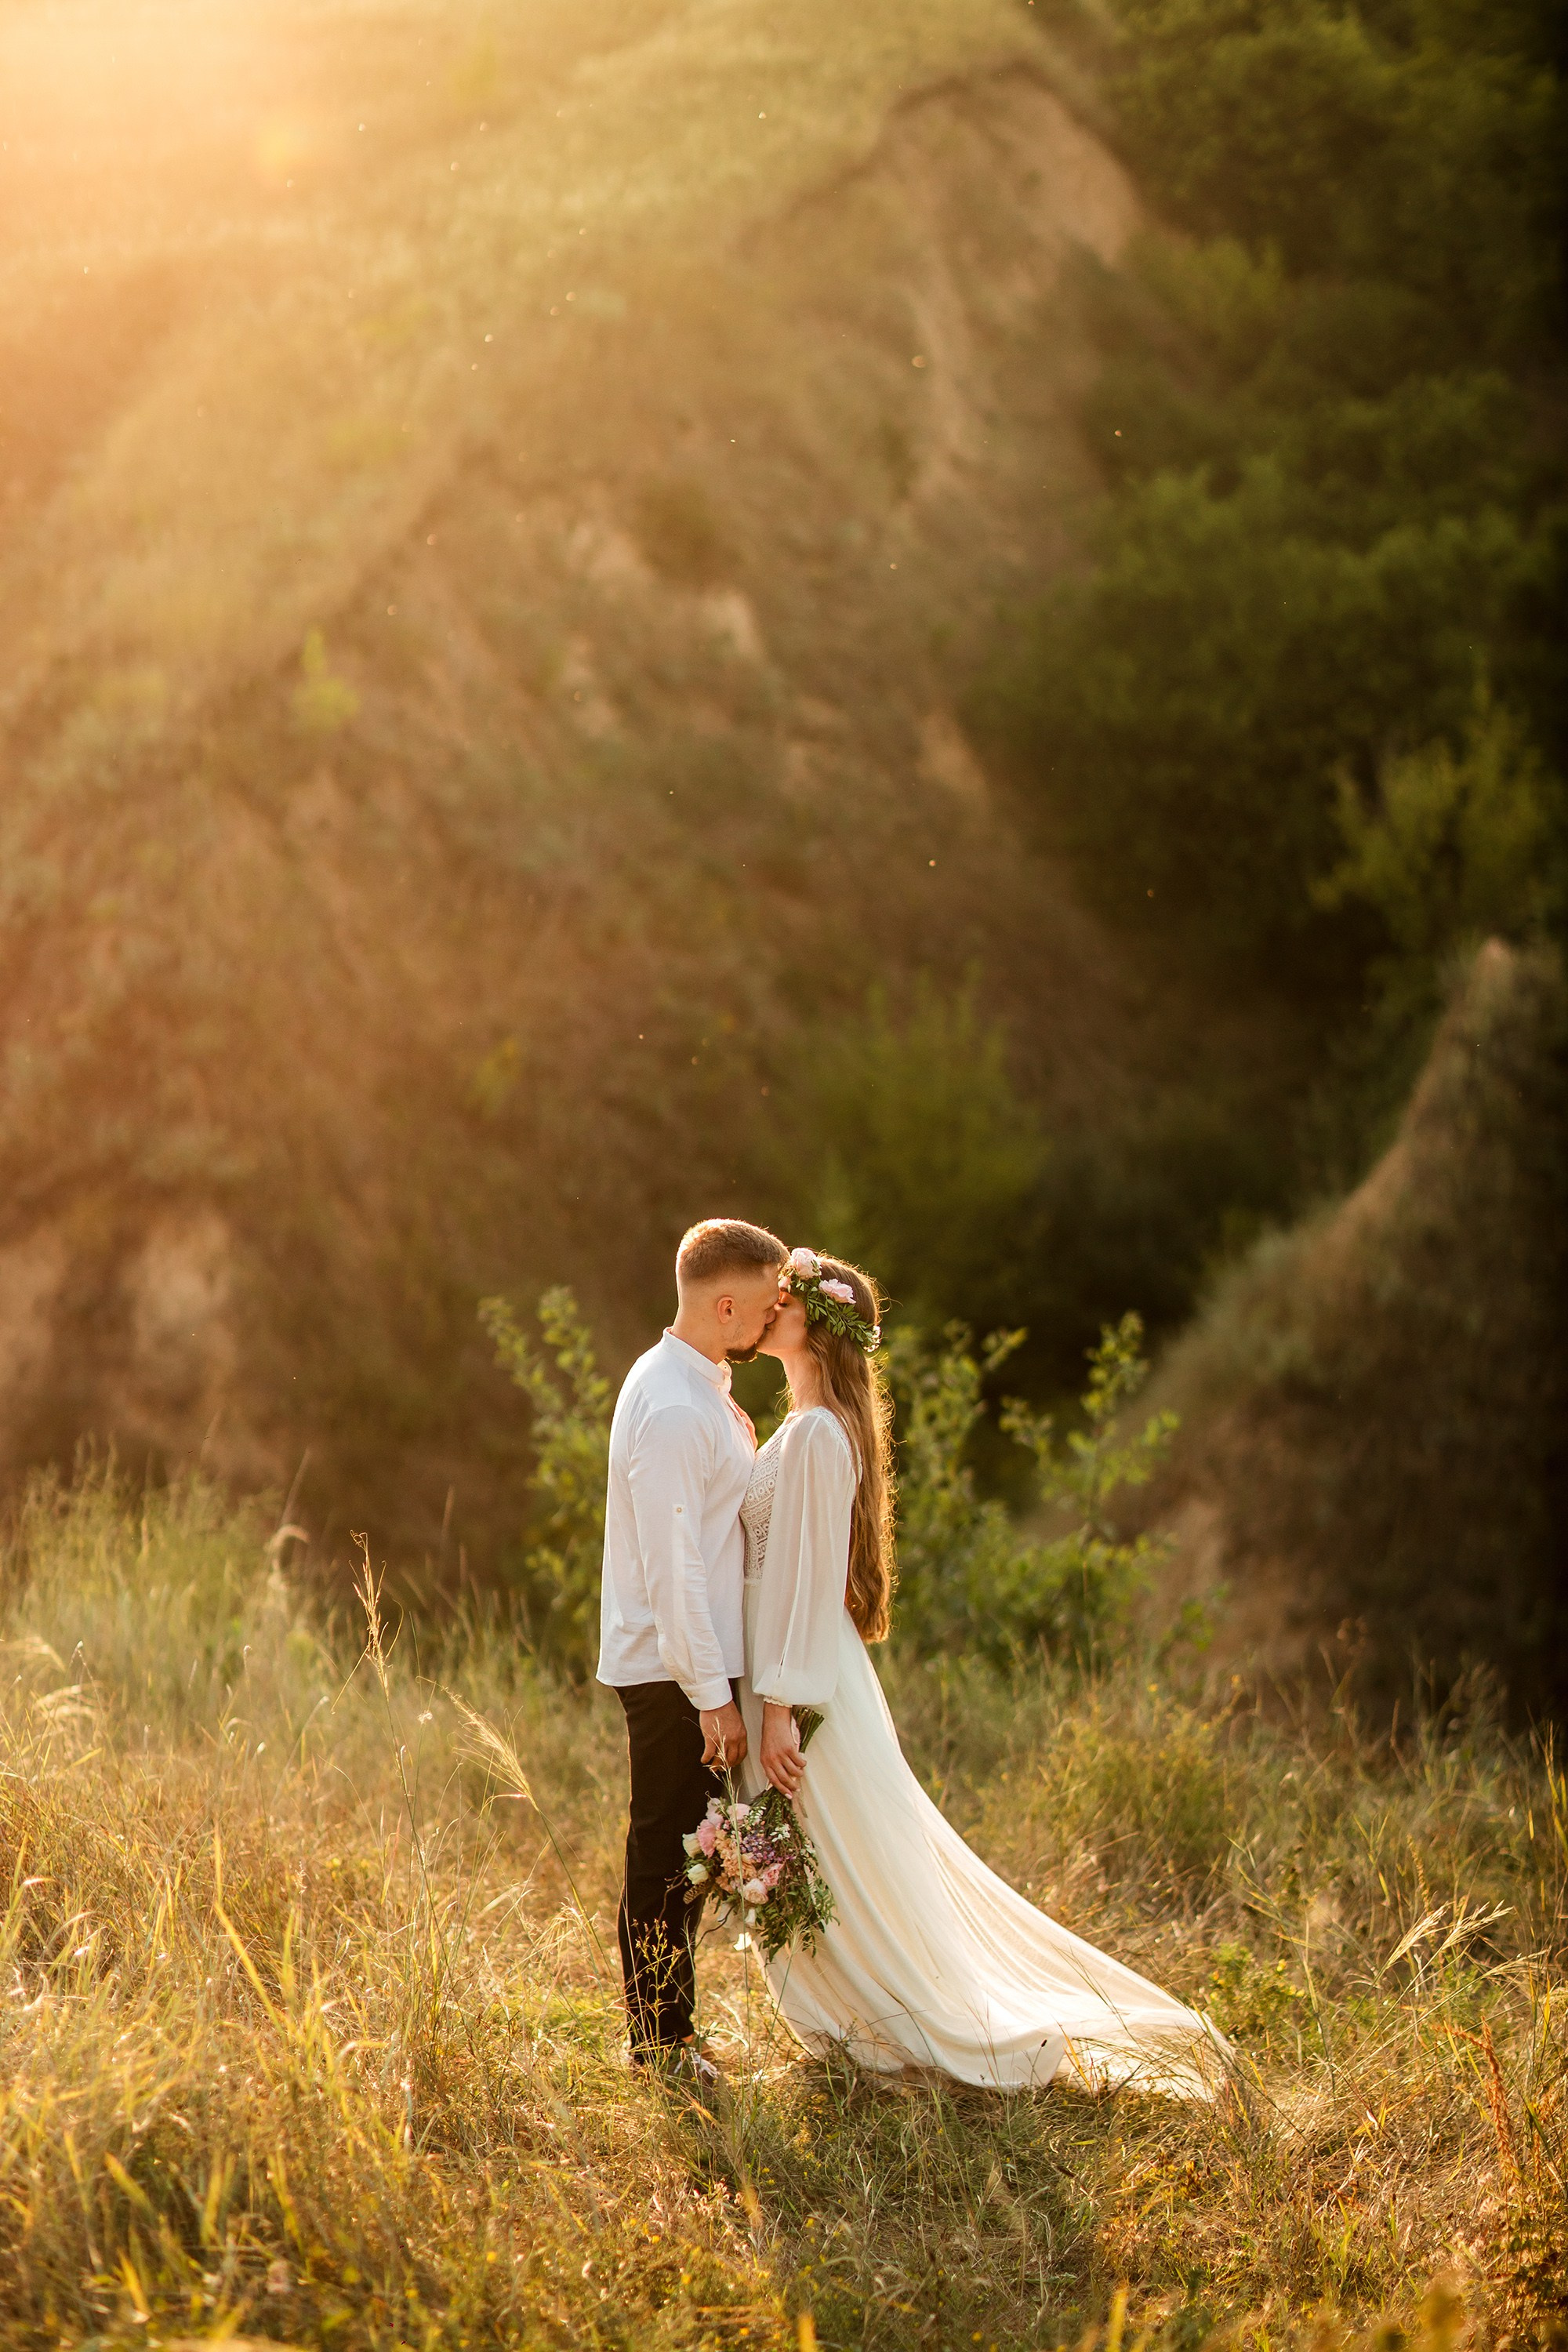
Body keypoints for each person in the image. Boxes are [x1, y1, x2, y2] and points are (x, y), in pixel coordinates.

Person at [736, 1247, 1225, 2095]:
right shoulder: (803, 1426)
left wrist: (778, 1705)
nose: (767, 1304)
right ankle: (857, 2019)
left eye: (783, 1296)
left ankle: (897, 2022)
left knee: (837, 1855)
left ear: (813, 1325)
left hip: (801, 1682)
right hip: (795, 1672)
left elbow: (804, 1583)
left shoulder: (817, 1432)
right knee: (830, 1854)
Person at [597, 1216, 789, 2068]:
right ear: (721, 1304)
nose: (767, 1321)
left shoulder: (694, 1382)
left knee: (683, 1854)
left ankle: (668, 2034)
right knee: (663, 1856)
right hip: (674, 1668)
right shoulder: (672, 1407)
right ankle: (660, 2046)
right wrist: (711, 1695)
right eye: (759, 1307)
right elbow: (673, 1566)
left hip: (693, 1663)